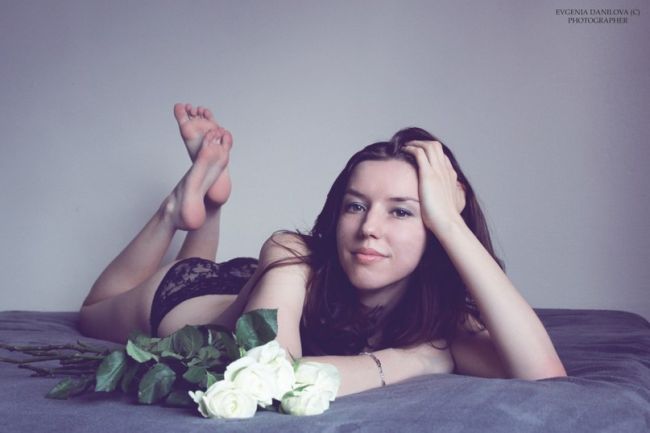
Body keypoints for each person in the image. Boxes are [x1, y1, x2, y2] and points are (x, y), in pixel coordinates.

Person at [79, 103, 566, 397]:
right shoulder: (290, 250)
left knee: (219, 270)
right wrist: (412, 361)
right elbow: (271, 377)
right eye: (356, 206)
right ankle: (175, 210)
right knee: (93, 310)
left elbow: (543, 375)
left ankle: (209, 202)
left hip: (264, 293)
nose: (369, 228)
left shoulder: (438, 313)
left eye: (401, 212)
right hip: (190, 300)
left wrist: (451, 224)